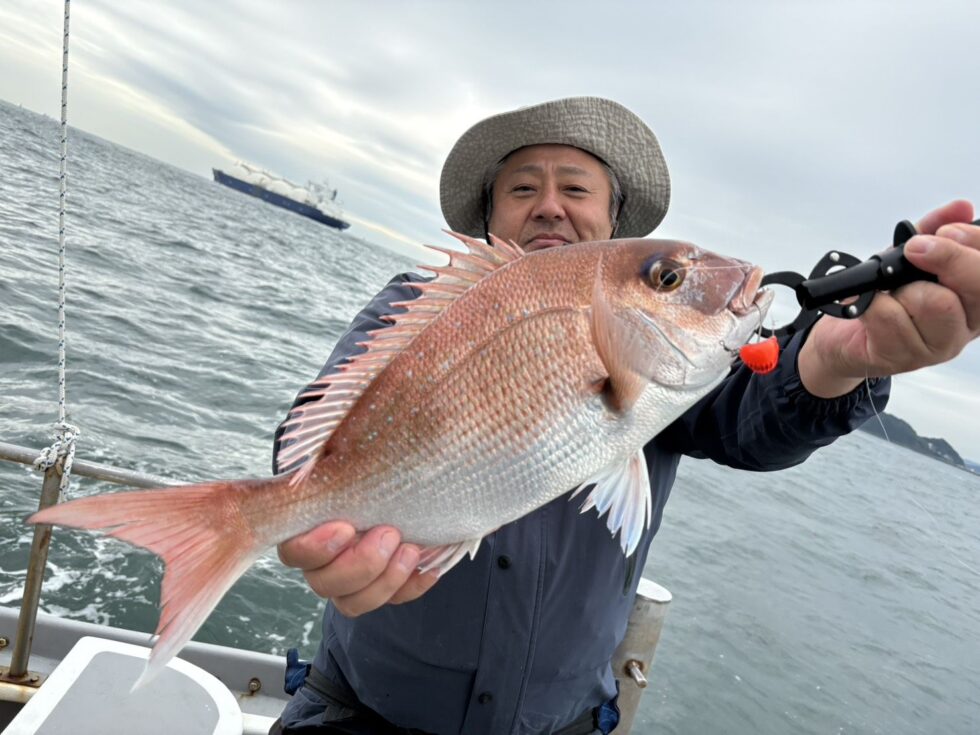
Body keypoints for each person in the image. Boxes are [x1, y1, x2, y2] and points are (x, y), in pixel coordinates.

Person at [269, 97, 980, 735]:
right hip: (361, 715)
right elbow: (308, 438)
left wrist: (840, 359)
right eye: (523, 188)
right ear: (490, 219)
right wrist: (315, 514)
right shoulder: (415, 308)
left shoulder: (670, 358)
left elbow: (756, 415)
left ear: (613, 223)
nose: (550, 206)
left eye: (576, 188)